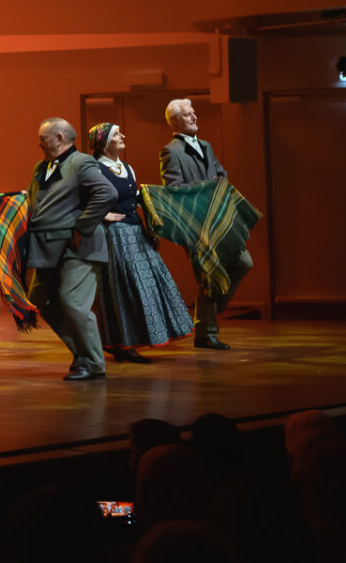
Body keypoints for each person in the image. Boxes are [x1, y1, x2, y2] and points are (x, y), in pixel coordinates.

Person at [87, 122, 192, 362]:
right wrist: (101, 215)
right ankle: (124, 344)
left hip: (136, 232)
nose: (123, 136)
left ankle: (132, 340)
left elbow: (136, 197)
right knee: (125, 288)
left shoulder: (127, 167)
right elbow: (79, 198)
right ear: (103, 142)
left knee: (148, 284)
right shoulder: (93, 169)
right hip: (115, 235)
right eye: (116, 134)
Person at [23, 117, 116, 382]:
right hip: (48, 247)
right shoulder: (41, 166)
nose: (39, 144)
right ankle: (83, 353)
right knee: (40, 299)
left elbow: (107, 193)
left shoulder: (81, 162)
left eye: (43, 138)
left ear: (60, 138)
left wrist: (82, 226)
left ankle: (94, 364)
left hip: (78, 246)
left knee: (74, 302)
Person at [159, 97, 251, 350]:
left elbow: (221, 175)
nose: (194, 116)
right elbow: (173, 190)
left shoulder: (206, 146)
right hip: (196, 224)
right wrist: (207, 188)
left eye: (193, 112)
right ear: (175, 121)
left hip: (218, 220)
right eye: (187, 114)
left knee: (244, 262)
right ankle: (206, 333)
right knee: (208, 277)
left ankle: (209, 309)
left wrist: (219, 186)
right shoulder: (171, 151)